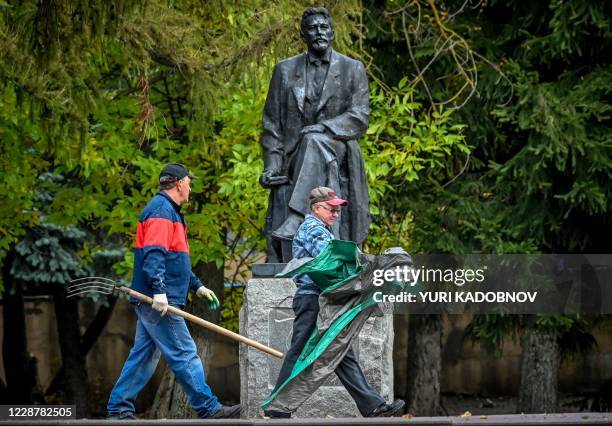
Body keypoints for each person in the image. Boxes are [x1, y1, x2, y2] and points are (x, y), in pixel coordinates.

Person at [106, 163, 240, 420]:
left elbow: (174, 260)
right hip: (159, 300)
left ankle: (119, 409)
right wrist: (159, 292)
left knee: (143, 356)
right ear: (179, 183)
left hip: (160, 298)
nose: (190, 186)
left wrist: (197, 286)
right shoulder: (161, 211)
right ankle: (208, 408)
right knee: (184, 352)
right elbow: (154, 256)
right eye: (189, 181)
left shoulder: (170, 212)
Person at [264, 187, 405, 418]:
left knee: (340, 351)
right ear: (317, 208)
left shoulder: (322, 229)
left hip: (322, 298)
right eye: (332, 209)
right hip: (313, 299)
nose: (336, 214)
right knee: (301, 349)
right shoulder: (313, 229)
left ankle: (372, 406)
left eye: (338, 210)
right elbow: (333, 261)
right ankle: (277, 407)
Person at [259, 6, 370, 262]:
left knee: (313, 139)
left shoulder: (353, 68)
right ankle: (300, 220)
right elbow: (272, 124)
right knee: (309, 141)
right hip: (294, 156)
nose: (319, 32)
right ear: (303, 34)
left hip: (338, 147)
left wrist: (322, 128)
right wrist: (272, 166)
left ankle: (297, 216)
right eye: (312, 28)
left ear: (332, 32)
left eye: (324, 27)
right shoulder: (285, 70)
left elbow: (360, 116)